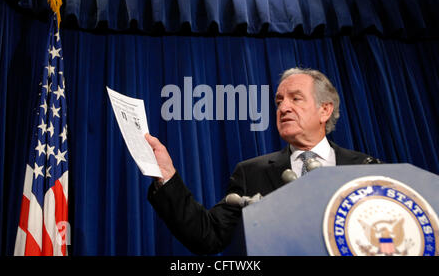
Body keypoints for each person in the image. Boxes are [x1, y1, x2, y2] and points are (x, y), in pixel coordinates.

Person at [145, 67, 380, 255]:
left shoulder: (365, 168)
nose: (283, 107)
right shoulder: (251, 173)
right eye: (279, 102)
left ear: (325, 110)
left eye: (295, 99)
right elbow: (208, 236)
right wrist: (167, 177)